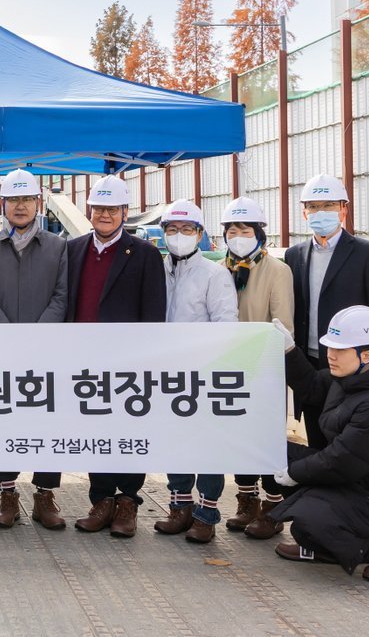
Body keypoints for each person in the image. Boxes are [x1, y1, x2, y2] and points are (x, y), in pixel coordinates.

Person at [271, 306, 369, 583]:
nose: (330, 354)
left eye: (340, 350)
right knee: (275, 454)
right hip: (356, 482)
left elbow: (342, 460)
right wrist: (289, 351)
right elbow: (312, 386)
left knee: (310, 519)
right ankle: (327, 547)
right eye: (330, 347)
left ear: (366, 355)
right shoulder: (348, 378)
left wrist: (295, 473)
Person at [66, 175, 166, 538]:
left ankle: (127, 502)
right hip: (84, 361)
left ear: (125, 212)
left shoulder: (145, 254)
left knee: (128, 430)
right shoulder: (73, 250)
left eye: (112, 209)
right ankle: (102, 499)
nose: (105, 215)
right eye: (99, 208)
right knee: (95, 429)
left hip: (127, 364)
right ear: (90, 210)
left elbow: (153, 314)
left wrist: (145, 361)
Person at [0, 169, 68, 530]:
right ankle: (7, 494)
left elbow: (62, 295)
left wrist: (37, 337)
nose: (20, 206)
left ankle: (45, 495)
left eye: (27, 199)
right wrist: (8, 335)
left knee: (47, 422)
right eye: (13, 199)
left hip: (46, 353)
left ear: (37, 203)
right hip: (1, 353)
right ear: (3, 204)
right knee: (4, 421)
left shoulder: (58, 247)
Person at [152, 200, 238, 544]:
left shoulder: (214, 275)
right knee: (175, 441)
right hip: (166, 374)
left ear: (200, 234)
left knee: (207, 444)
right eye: (172, 229)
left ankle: (206, 513)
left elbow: (226, 324)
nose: (179, 235)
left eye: (187, 229)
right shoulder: (157, 270)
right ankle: (180, 506)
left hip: (203, 374)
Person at [285, 174, 369, 449]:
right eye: (313, 206)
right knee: (317, 441)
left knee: (351, 445)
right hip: (310, 366)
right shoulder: (294, 255)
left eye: (329, 205)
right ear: (304, 212)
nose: (320, 212)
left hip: (351, 365)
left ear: (343, 209)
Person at [219, 196, 294, 538]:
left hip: (264, 369)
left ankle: (273, 506)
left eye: (245, 230)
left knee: (267, 438)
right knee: (240, 438)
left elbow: (282, 324)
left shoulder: (276, 270)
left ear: (259, 233)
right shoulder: (222, 270)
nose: (238, 236)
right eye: (232, 231)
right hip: (229, 369)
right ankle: (246, 500)